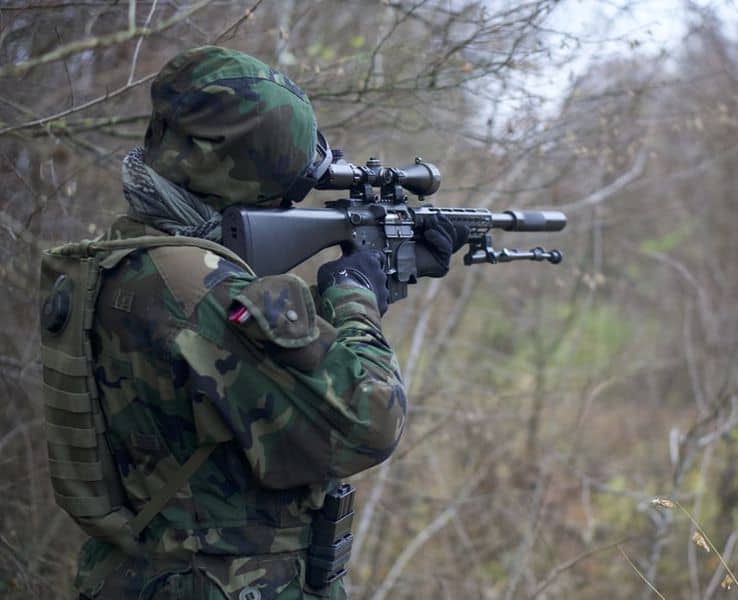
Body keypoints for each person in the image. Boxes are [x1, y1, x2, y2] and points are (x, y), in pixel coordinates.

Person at [56, 45, 467, 599]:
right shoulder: (197, 288)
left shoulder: (125, 258)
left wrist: (375, 285)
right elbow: (369, 422)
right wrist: (355, 296)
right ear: (249, 175)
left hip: (138, 575)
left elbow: (234, 384)